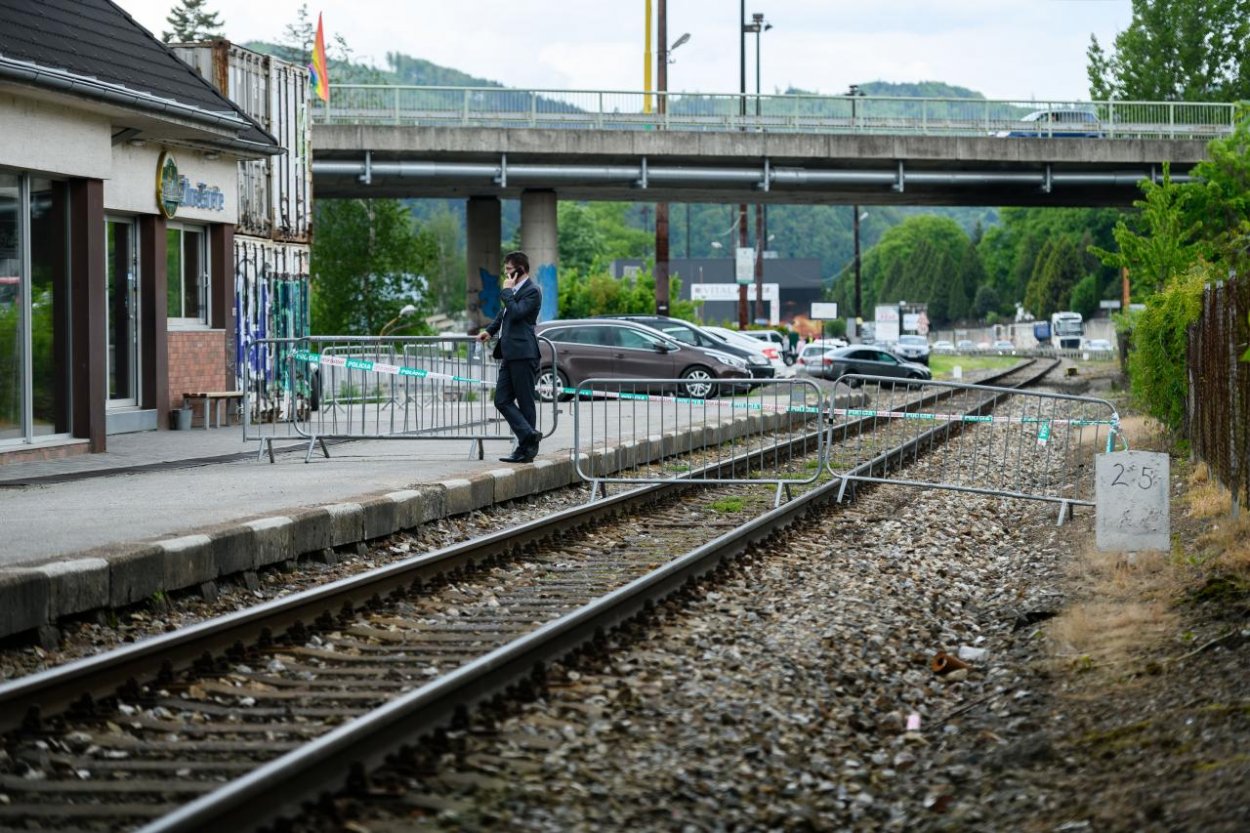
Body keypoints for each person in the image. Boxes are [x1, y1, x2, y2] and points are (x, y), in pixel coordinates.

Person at [477, 251, 543, 463]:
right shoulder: (514, 291)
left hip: (524, 353)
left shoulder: (532, 291)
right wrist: (490, 331)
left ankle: (526, 449)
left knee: (525, 402)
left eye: (508, 269)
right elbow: (504, 315)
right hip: (509, 354)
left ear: (520, 269)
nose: (505, 273)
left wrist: (506, 292)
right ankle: (528, 436)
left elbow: (516, 312)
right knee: (501, 399)